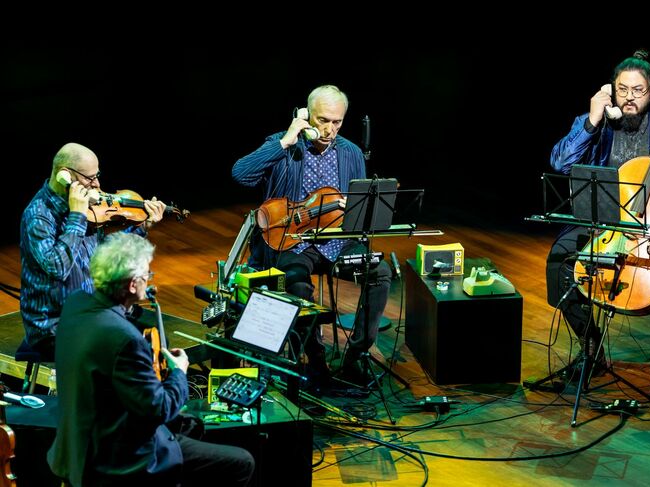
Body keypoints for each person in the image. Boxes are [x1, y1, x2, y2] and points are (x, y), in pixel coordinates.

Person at [546, 50, 650, 391]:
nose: (629, 98)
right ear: (612, 88)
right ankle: (590, 347)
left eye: (637, 90)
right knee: (559, 260)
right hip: (605, 220)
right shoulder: (597, 119)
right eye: (622, 89)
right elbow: (561, 164)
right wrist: (591, 121)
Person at [47, 232, 255, 486]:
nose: (149, 280)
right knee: (241, 462)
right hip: (121, 460)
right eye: (147, 275)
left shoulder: (75, 305)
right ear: (133, 284)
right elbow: (159, 408)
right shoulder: (125, 340)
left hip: (77, 447)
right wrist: (179, 372)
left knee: (192, 426)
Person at [232, 85, 392, 388]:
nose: (330, 130)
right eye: (322, 120)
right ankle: (315, 362)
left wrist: (354, 208)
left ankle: (356, 354)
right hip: (291, 240)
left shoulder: (351, 152)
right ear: (305, 115)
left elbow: (356, 209)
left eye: (337, 122)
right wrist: (287, 139)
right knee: (296, 282)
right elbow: (241, 174)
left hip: (337, 241)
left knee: (380, 272)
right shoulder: (285, 146)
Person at [19, 142, 166, 360]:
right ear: (64, 176)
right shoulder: (39, 216)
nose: (97, 184)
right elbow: (57, 268)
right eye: (89, 178)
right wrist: (76, 218)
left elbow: (102, 256)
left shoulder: (87, 207)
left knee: (156, 339)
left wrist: (141, 227)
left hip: (90, 313)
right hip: (54, 327)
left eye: (97, 175)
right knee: (131, 349)